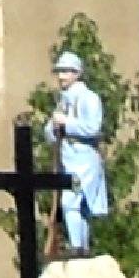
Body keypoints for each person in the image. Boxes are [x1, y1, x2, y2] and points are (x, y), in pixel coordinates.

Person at [46, 49, 109, 257]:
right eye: (60, 72)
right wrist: (54, 128)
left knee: (74, 202)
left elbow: (93, 128)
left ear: (76, 73)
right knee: (73, 203)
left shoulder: (89, 98)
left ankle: (78, 246)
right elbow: (50, 132)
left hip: (85, 159)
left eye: (66, 71)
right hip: (68, 158)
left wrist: (67, 124)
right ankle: (80, 246)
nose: (62, 77)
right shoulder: (63, 101)